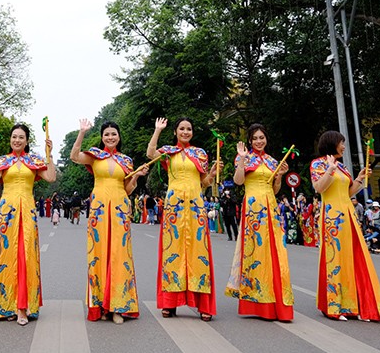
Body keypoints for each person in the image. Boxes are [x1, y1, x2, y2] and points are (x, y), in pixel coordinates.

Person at [0, 124, 56, 326]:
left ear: (27, 141)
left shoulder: (34, 161)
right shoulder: (4, 160)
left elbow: (51, 177)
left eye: (21, 137)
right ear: (10, 139)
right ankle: (5, 305)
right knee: (6, 255)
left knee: (25, 255)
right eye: (14, 137)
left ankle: (24, 306)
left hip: (28, 210)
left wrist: (50, 156)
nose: (17, 140)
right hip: (7, 212)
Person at [71, 119, 146, 324]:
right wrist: (82, 133)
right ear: (102, 137)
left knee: (120, 254)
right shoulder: (95, 156)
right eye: (106, 134)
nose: (110, 137)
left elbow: (128, 189)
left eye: (114, 134)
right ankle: (101, 305)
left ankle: (118, 306)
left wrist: (136, 177)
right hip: (99, 210)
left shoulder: (126, 160)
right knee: (99, 253)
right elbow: (74, 156)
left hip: (120, 209)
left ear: (119, 136)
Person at [147, 117, 221, 321]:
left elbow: (204, 182)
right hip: (174, 207)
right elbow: (150, 154)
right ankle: (170, 303)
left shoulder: (200, 154)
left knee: (199, 252)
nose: (185, 132)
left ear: (192, 132)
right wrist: (157, 131)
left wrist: (212, 174)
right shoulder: (169, 152)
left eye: (189, 129)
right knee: (173, 251)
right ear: (175, 132)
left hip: (196, 207)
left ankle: (203, 304)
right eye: (182, 128)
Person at [310, 130, 380, 321]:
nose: (344, 147)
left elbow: (349, 192)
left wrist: (360, 179)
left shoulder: (342, 167)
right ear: (331, 143)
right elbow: (319, 188)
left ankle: (358, 303)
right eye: (341, 143)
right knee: (335, 258)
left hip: (348, 214)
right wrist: (329, 170)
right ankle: (335, 305)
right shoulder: (318, 164)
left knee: (354, 257)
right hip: (332, 216)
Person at [225, 123, 294, 321]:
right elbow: (238, 182)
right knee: (255, 252)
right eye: (255, 138)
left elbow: (276, 189)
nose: (258, 141)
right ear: (249, 141)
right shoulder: (245, 158)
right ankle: (256, 301)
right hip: (253, 208)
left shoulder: (273, 161)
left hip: (271, 207)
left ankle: (277, 301)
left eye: (261, 137)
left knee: (275, 252)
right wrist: (241, 160)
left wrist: (280, 175)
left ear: (266, 139)